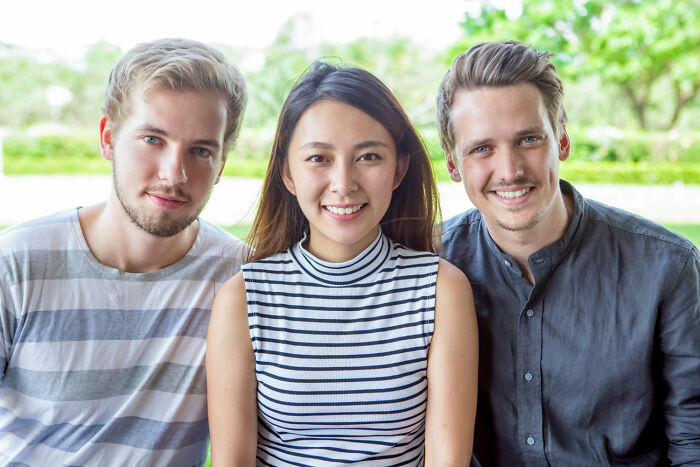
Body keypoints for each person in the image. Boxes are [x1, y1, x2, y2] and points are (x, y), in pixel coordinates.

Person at [436, 40, 700, 466]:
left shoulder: (667, 267)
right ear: (453, 164)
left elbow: (694, 440)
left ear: (561, 141)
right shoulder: (428, 267)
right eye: (481, 148)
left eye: (528, 139)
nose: (509, 170)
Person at [207, 61, 479, 466]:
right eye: (318, 158)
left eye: (368, 156)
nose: (343, 183)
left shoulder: (441, 290)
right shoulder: (244, 298)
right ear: (288, 172)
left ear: (399, 168)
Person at [0, 38, 248, 465]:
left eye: (201, 150)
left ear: (222, 164)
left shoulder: (239, 275)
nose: (175, 173)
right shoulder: (17, 264)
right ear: (108, 138)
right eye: (153, 139)